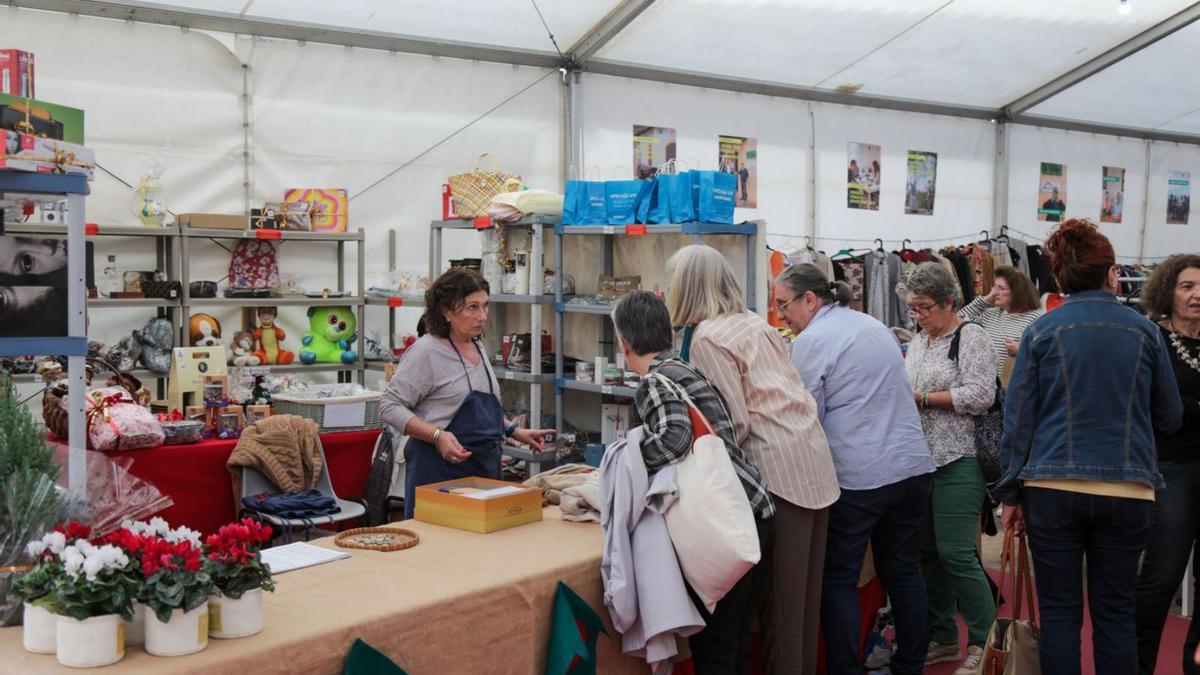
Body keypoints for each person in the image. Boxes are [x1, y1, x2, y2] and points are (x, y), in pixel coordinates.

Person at [998, 219, 1183, 675]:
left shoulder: (1040, 332)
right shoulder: (1147, 333)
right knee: (1115, 615)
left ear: (1060, 278)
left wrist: (1009, 493)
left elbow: (1017, 418)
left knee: (1060, 615)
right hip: (1128, 489)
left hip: (1052, 488)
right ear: (1112, 273)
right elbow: (1170, 417)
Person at [667, 244, 840, 674]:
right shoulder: (752, 323)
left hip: (777, 472)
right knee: (801, 607)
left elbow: (734, 426)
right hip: (813, 463)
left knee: (780, 609)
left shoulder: (708, 337)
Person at [775, 263, 934, 675]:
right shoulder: (870, 323)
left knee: (839, 579)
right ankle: (911, 663)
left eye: (783, 305)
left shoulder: (811, 340)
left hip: (862, 475)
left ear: (810, 299)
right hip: (911, 466)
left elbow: (805, 416)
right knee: (903, 570)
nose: (779, 316)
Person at [613, 290, 774, 673]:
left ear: (624, 342)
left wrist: (629, 461)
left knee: (715, 645)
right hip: (752, 508)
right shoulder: (684, 370)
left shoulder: (653, 383)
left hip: (721, 523)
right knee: (733, 638)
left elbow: (675, 437)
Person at [379, 268, 552, 518]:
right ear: (446, 311)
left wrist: (513, 430)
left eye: (485, 306)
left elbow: (479, 406)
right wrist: (437, 436)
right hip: (438, 472)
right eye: (472, 307)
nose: (482, 316)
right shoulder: (426, 352)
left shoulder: (477, 345)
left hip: (483, 469)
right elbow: (389, 406)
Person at [903, 262, 998, 675]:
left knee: (957, 553)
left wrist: (923, 398)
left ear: (948, 302)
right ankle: (943, 636)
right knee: (927, 554)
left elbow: (981, 394)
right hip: (922, 462)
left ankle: (985, 641)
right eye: (913, 309)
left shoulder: (971, 336)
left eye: (925, 308)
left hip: (960, 459)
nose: (918, 316)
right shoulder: (920, 341)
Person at [1136, 254, 1200, 674]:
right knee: (1161, 578)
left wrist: (1186, 407)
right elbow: (1154, 410)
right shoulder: (1152, 339)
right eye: (1187, 286)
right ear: (1167, 292)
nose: (1198, 295)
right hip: (1172, 469)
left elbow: (1176, 407)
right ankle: (1136, 666)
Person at [957, 265, 1043, 380]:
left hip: (1018, 388)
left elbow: (1047, 352)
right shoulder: (991, 314)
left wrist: (1022, 350)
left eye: (1000, 288)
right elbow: (959, 319)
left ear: (1017, 291)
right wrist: (986, 299)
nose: (995, 292)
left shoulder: (1037, 317)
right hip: (990, 389)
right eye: (994, 287)